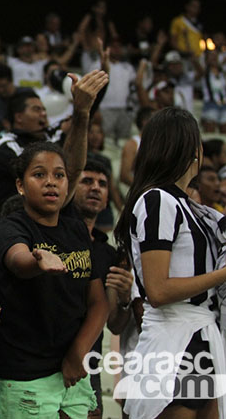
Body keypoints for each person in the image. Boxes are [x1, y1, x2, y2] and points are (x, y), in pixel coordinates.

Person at [116, 106, 226, 419]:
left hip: (203, 338)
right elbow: (158, 290)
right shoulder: (157, 200)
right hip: (174, 342)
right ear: (193, 149)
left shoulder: (188, 206)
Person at [0, 142, 109, 417]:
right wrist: (38, 261)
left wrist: (76, 354)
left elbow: (98, 303)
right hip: (25, 377)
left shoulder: (77, 229)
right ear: (20, 185)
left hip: (72, 373)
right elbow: (18, 261)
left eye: (59, 175)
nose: (51, 183)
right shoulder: (12, 226)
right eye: (39, 175)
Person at [70, 159, 134, 418]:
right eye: (87, 181)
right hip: (43, 364)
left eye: (102, 184)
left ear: (108, 198)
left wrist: (126, 298)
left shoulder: (109, 254)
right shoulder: (50, 240)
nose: (95, 188)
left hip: (89, 365)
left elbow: (116, 325)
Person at [0, 68, 108, 210]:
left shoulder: (51, 135)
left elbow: (81, 117)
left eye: (44, 109)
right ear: (19, 117)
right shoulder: (6, 144)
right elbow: (29, 172)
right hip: (16, 221)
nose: (44, 114)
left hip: (50, 220)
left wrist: (102, 78)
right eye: (37, 109)